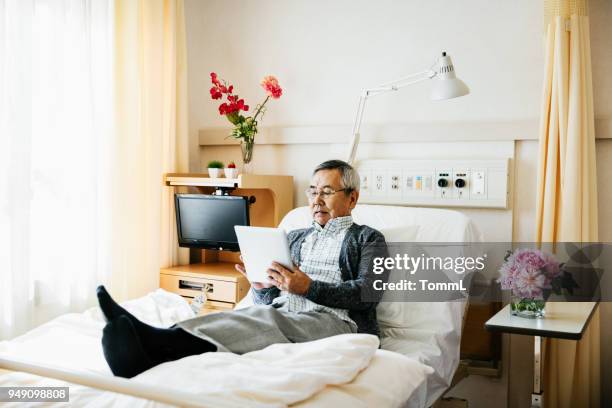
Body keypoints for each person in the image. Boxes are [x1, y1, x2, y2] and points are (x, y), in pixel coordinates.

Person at [97, 159, 388, 378]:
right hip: (283, 310)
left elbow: (367, 294)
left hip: (335, 322)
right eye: (312, 192)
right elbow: (270, 297)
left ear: (352, 197)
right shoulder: (296, 237)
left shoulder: (369, 239)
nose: (317, 200)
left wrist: (308, 287)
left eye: (327, 191)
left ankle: (157, 343)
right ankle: (151, 336)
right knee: (252, 314)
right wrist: (261, 288)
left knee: (270, 321)